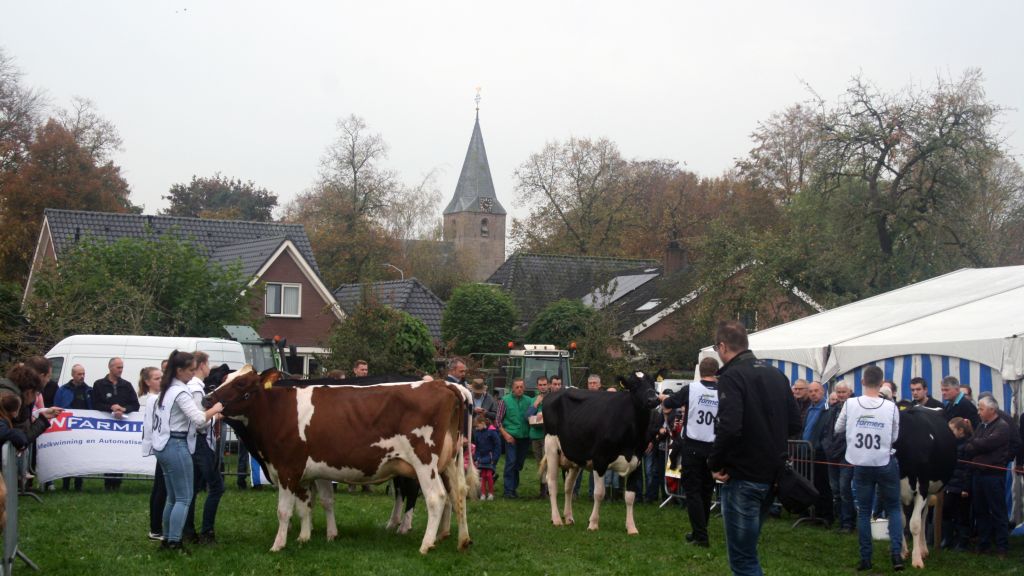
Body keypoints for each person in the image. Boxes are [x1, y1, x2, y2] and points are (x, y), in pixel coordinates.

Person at [708, 321, 800, 576]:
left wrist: (714, 463)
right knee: (748, 550)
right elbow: (795, 423)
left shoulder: (731, 376)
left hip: (743, 475)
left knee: (743, 558)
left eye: (717, 348)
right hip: (772, 475)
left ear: (723, 346)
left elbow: (729, 426)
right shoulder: (776, 374)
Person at [146, 350, 223, 553]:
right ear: (179, 370)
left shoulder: (167, 389)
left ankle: (168, 538)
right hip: (176, 444)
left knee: (172, 497)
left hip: (164, 445)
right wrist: (216, 409)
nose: (193, 373)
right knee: (183, 497)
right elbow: (198, 419)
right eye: (189, 370)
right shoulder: (180, 392)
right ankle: (174, 542)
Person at [835, 365, 903, 572]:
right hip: (883, 461)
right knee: (893, 508)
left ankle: (866, 558)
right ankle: (896, 555)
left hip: (861, 462)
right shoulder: (891, 407)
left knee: (864, 511)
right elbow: (894, 437)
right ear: (881, 383)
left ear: (862, 382)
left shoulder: (851, 403)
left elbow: (838, 428)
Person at [660, 356, 720, 547]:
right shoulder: (724, 391)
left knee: (693, 491)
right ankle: (698, 531)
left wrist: (664, 401)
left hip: (693, 445)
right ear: (716, 372)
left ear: (700, 371)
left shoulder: (691, 389)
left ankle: (701, 536)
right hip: (713, 448)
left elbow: (669, 403)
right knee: (706, 490)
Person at [182, 351, 225, 544]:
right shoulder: (197, 389)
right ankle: (207, 531)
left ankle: (188, 530)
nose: (210, 368)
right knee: (216, 487)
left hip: (193, 442)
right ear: (202, 365)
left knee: (192, 488)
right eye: (208, 364)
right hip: (200, 442)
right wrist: (216, 415)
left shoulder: (190, 386)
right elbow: (200, 421)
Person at [964, 395, 1009, 556]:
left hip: (993, 475)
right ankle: (984, 544)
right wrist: (977, 443)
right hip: (978, 474)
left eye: (981, 409)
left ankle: (1002, 546)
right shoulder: (981, 426)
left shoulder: (1002, 427)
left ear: (992, 410)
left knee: (997, 511)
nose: (978, 412)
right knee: (980, 511)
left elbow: (985, 444)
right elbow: (970, 445)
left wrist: (976, 443)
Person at [92, 357, 140, 491]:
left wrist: (124, 409)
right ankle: (108, 482)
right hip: (106, 426)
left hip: (122, 426)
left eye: (122, 367)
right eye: (118, 367)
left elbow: (135, 405)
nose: (121, 370)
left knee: (120, 453)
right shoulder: (99, 384)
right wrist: (111, 407)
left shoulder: (127, 385)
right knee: (108, 453)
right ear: (110, 367)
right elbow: (95, 404)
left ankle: (118, 482)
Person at [821, 380, 854, 533]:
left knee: (844, 489)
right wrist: (827, 447)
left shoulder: (854, 409)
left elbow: (849, 434)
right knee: (835, 489)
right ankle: (840, 521)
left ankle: (848, 523)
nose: (841, 395)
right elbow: (826, 431)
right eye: (838, 392)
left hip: (846, 455)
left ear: (850, 392)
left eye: (843, 392)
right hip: (831, 455)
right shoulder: (832, 410)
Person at [138, 367, 165, 540]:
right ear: (148, 382)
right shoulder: (154, 399)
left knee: (159, 487)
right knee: (161, 489)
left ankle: (156, 527)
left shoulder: (155, 398)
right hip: (161, 445)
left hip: (159, 445)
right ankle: (155, 528)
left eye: (161, 377)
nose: (161, 380)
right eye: (156, 378)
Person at [802, 380, 834, 525]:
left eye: (816, 390)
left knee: (823, 485)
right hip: (807, 452)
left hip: (820, 453)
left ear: (823, 392)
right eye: (811, 391)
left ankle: (826, 515)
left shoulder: (828, 409)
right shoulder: (809, 409)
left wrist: (821, 446)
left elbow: (828, 432)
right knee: (810, 484)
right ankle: (814, 513)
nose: (813, 393)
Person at [942, 417, 973, 551]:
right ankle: (948, 538)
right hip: (950, 484)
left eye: (952, 430)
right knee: (947, 511)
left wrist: (966, 488)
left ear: (960, 431)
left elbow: (968, 469)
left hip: (962, 487)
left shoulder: (968, 446)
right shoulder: (951, 444)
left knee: (962, 514)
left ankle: (963, 541)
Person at [497, 378, 531, 499]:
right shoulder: (504, 401)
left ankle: (513, 488)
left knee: (518, 464)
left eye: (521, 387)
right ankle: (508, 490)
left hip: (524, 437)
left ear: (524, 388)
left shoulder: (529, 401)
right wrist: (505, 435)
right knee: (511, 462)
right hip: (511, 437)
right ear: (513, 388)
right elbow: (497, 421)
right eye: (517, 387)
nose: (519, 389)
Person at [527, 376, 549, 498]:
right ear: (537, 386)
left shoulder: (551, 398)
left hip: (547, 436)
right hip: (535, 435)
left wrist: (543, 413)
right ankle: (542, 490)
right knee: (539, 463)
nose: (542, 387)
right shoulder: (533, 400)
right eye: (540, 385)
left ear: (548, 385)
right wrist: (535, 404)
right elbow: (527, 416)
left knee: (548, 464)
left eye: (544, 384)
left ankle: (548, 489)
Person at [472, 415, 500, 500]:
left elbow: (497, 445)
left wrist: (494, 458)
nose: (476, 428)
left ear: (482, 423)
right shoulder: (477, 433)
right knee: (483, 476)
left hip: (490, 458)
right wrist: (476, 458)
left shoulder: (492, 432)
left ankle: (491, 493)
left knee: (489, 475)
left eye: (477, 426)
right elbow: (476, 447)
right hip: (481, 458)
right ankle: (483, 494)